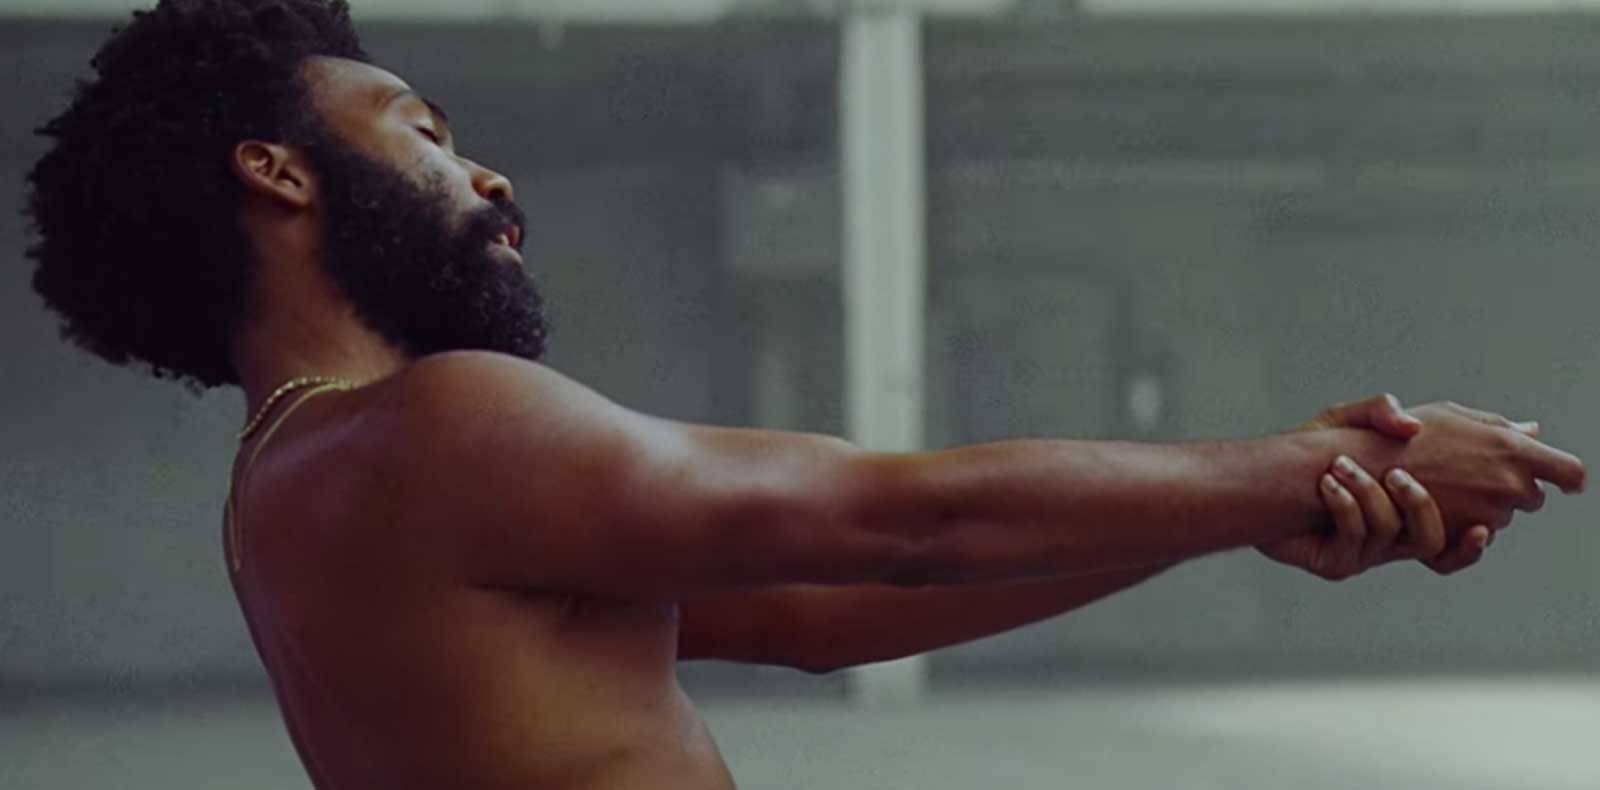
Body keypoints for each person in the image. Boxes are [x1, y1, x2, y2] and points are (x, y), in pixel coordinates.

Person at [23, 1, 1585, 788]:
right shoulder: (436, 427)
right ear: (279, 173)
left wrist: (1234, 517)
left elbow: (818, 607)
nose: (482, 171)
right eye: (421, 131)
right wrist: (1309, 457)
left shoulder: (292, 484)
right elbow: (895, 518)